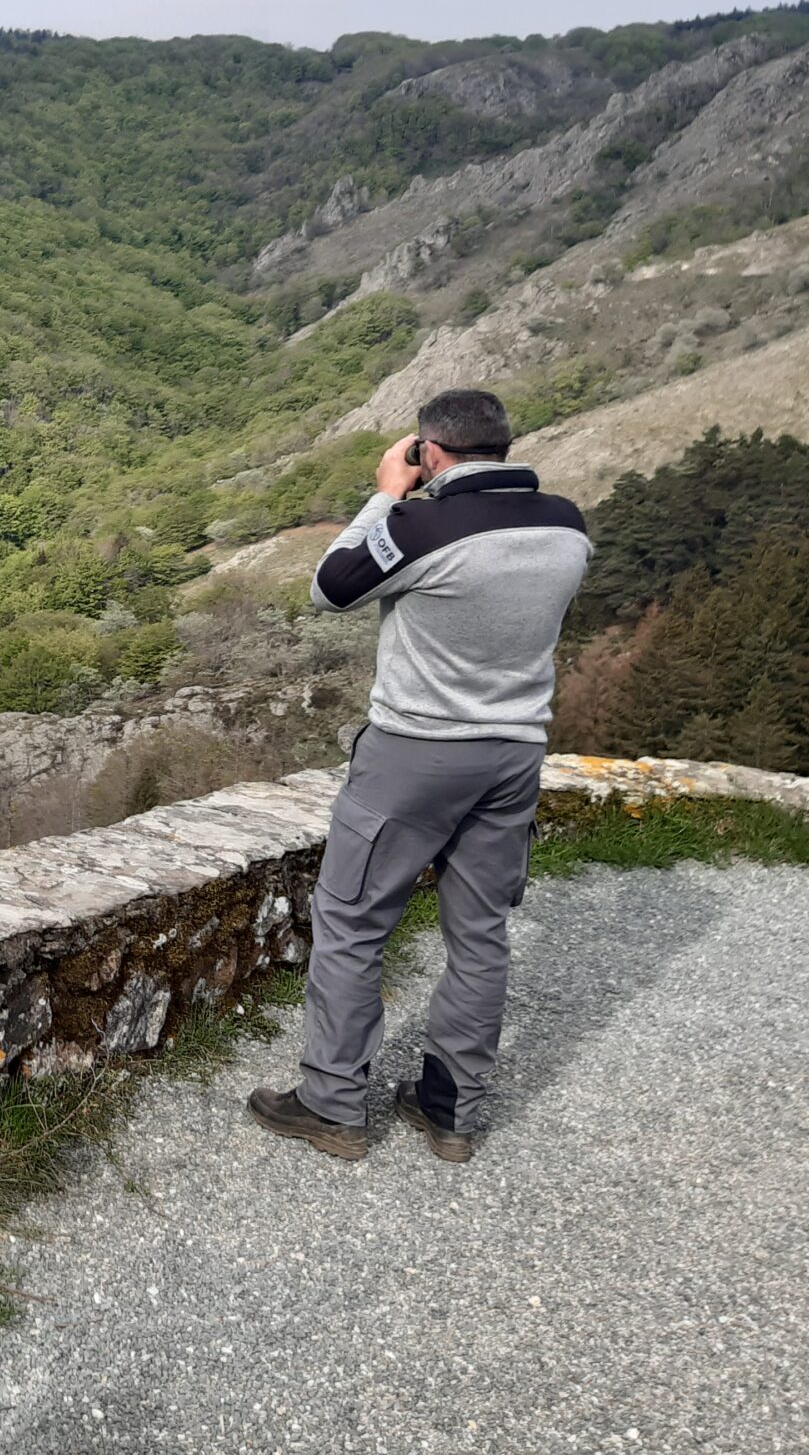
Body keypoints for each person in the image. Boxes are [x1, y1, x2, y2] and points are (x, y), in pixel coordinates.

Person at [247, 387, 591, 1162]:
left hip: (415, 754)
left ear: (429, 452)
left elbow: (331, 587)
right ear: (506, 446)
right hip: (514, 755)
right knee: (480, 934)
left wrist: (384, 495)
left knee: (352, 922)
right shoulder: (567, 526)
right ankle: (451, 1113)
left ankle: (333, 1106)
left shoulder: (424, 525)